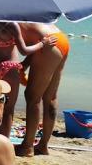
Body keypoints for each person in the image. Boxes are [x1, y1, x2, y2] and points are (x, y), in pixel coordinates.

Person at [0, 21, 57, 139]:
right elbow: (24, 51)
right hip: (10, 69)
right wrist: (42, 43)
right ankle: (3, 140)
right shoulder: (12, 25)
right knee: (8, 110)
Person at [15, 22, 71, 157]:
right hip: (60, 39)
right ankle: (43, 145)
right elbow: (36, 41)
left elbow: (35, 45)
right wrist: (25, 64)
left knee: (32, 97)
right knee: (50, 97)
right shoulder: (26, 14)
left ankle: (27, 146)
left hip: (48, 45)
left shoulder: (7, 20)